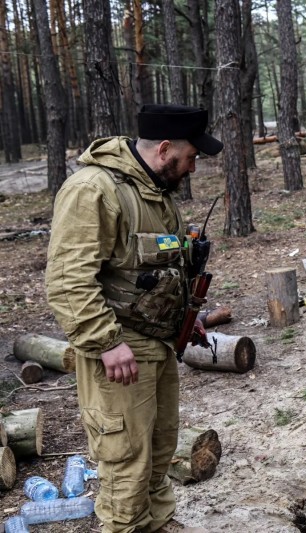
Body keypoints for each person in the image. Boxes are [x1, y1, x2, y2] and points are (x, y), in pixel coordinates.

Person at [45, 104, 223, 533]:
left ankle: (158, 525)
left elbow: (161, 268)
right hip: (120, 353)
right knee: (125, 464)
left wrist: (185, 317)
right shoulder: (94, 190)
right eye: (190, 157)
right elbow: (67, 280)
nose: (194, 168)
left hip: (157, 345)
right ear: (164, 149)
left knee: (159, 454)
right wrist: (106, 343)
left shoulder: (156, 193)